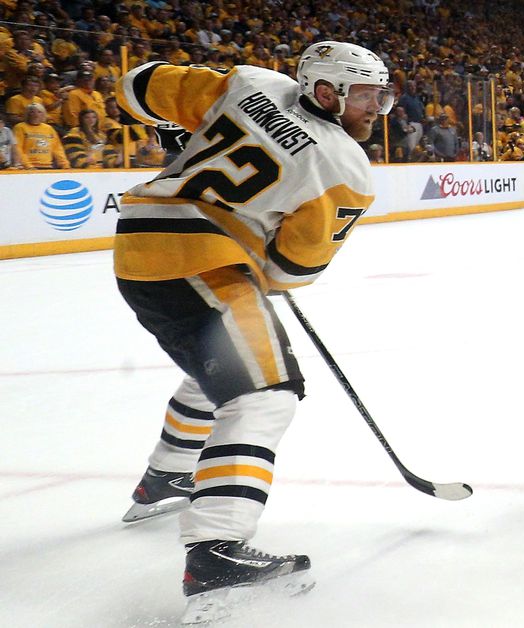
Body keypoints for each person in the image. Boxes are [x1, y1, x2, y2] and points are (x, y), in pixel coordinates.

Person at [112, 40, 393, 621]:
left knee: (221, 372)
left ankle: (164, 479)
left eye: (379, 95)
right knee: (264, 394)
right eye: (366, 95)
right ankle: (215, 551)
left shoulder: (250, 82)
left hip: (141, 243)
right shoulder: (344, 165)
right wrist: (256, 248)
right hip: (196, 262)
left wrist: (179, 132)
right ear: (325, 90)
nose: (378, 107)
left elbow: (136, 83)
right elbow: (293, 269)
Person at [12, 102, 67, 169]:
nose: (36, 115)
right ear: (27, 114)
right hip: (29, 167)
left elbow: (57, 148)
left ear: (44, 114)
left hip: (47, 166)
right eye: (32, 112)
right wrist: (28, 166)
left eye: (39, 112)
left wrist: (64, 164)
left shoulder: (49, 128)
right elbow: (18, 148)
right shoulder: (20, 127)